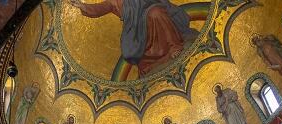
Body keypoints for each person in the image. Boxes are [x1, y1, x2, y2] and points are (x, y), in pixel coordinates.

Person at [69, 0, 199, 77]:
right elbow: (100, 8)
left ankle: (173, 46)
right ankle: (152, 62)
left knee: (155, 13)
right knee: (152, 16)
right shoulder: (116, 1)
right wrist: (83, 6)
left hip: (156, 13)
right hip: (137, 32)